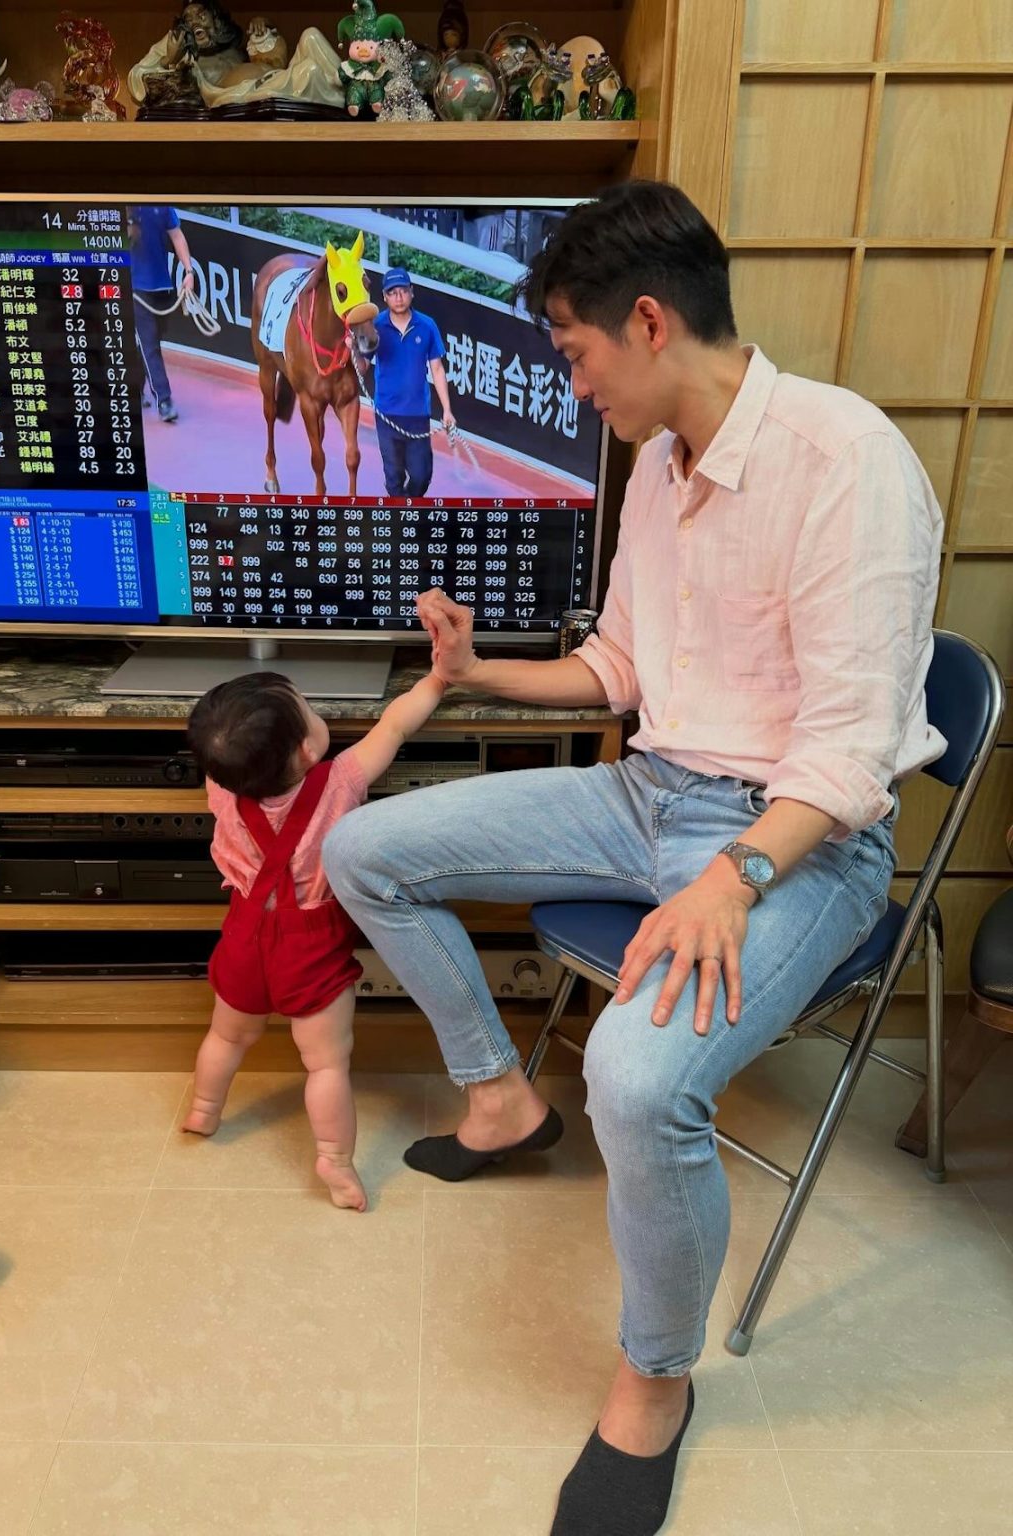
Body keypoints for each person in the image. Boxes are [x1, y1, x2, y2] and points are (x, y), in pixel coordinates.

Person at [322, 180, 945, 1532]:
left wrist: (733, 877)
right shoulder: (658, 466)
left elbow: (847, 760)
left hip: (799, 846)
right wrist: (477, 667)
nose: (572, 378)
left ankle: (656, 1381)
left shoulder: (850, 464)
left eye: (573, 349)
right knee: (363, 848)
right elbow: (619, 670)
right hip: (645, 791)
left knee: (639, 1069)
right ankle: (498, 1100)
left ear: (649, 321)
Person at [183, 666, 447, 1211]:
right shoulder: (341, 779)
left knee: (227, 1037)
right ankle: (334, 1158)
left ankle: (204, 1109)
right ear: (307, 750)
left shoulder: (221, 784)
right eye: (310, 708)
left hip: (243, 938)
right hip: (312, 946)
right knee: (325, 1063)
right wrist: (439, 679)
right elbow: (395, 726)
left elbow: (227, 746)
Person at [371, 266, 456, 498]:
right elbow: (360, 366)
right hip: (387, 415)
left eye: (403, 291)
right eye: (392, 293)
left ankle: (408, 507)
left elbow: (437, 369)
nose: (398, 297)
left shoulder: (427, 326)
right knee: (393, 478)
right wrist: (355, 348)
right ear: (385, 297)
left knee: (421, 476)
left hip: (418, 415)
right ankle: (403, 525)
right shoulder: (375, 326)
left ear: (412, 292)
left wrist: (447, 410)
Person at [128, 204, 194, 424]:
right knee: (149, 344)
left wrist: (189, 271)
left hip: (162, 286)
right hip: (136, 287)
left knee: (151, 342)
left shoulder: (163, 206)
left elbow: (177, 236)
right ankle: (164, 400)